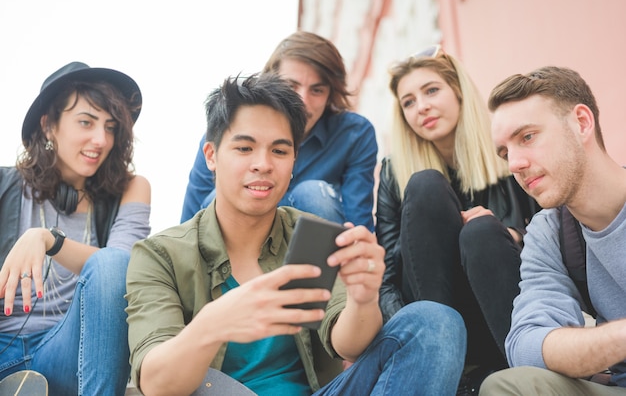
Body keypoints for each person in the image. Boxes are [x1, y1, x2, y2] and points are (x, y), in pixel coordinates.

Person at [126, 73, 467, 396]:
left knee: (436, 321)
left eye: (279, 150)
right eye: (244, 149)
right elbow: (156, 383)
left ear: (293, 162)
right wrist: (214, 323)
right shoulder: (160, 255)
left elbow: (347, 343)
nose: (263, 164)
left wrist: (363, 298)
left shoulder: (311, 237)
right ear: (212, 156)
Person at [376, 45, 539, 391]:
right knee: (424, 184)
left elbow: (553, 241)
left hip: (503, 312)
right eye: (408, 101)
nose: (421, 107)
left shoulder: (509, 150)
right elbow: (387, 279)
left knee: (480, 232)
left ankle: (524, 372)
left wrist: (511, 236)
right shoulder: (394, 173)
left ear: (458, 91)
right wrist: (407, 337)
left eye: (431, 90)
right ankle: (443, 361)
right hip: (433, 319)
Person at [0, 61, 151, 395]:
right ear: (49, 125)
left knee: (111, 264)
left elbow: (124, 268)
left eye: (111, 127)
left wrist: (48, 240)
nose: (100, 139)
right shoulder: (4, 187)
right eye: (86, 122)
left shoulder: (131, 189)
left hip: (73, 352)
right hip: (3, 350)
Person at [479, 66, 626, 395]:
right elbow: (525, 344)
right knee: (505, 386)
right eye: (505, 153)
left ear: (581, 123)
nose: (514, 163)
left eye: (527, 137)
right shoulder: (550, 230)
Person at [180, 31, 378, 231]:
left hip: (308, 246)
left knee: (313, 194)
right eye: (291, 86)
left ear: (330, 94)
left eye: (317, 90)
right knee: (216, 198)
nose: (303, 103)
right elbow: (189, 220)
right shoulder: (228, 130)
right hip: (235, 242)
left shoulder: (354, 134)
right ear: (272, 83)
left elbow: (359, 224)